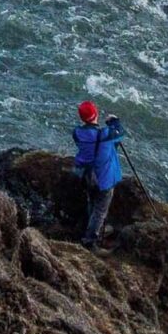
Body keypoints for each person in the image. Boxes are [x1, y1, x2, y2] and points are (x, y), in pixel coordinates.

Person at [71, 100, 124, 248]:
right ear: (96, 114)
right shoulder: (106, 134)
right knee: (100, 209)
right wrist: (114, 120)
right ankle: (91, 241)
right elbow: (120, 132)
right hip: (103, 179)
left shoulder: (77, 132)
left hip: (86, 176)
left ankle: (96, 228)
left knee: (92, 203)